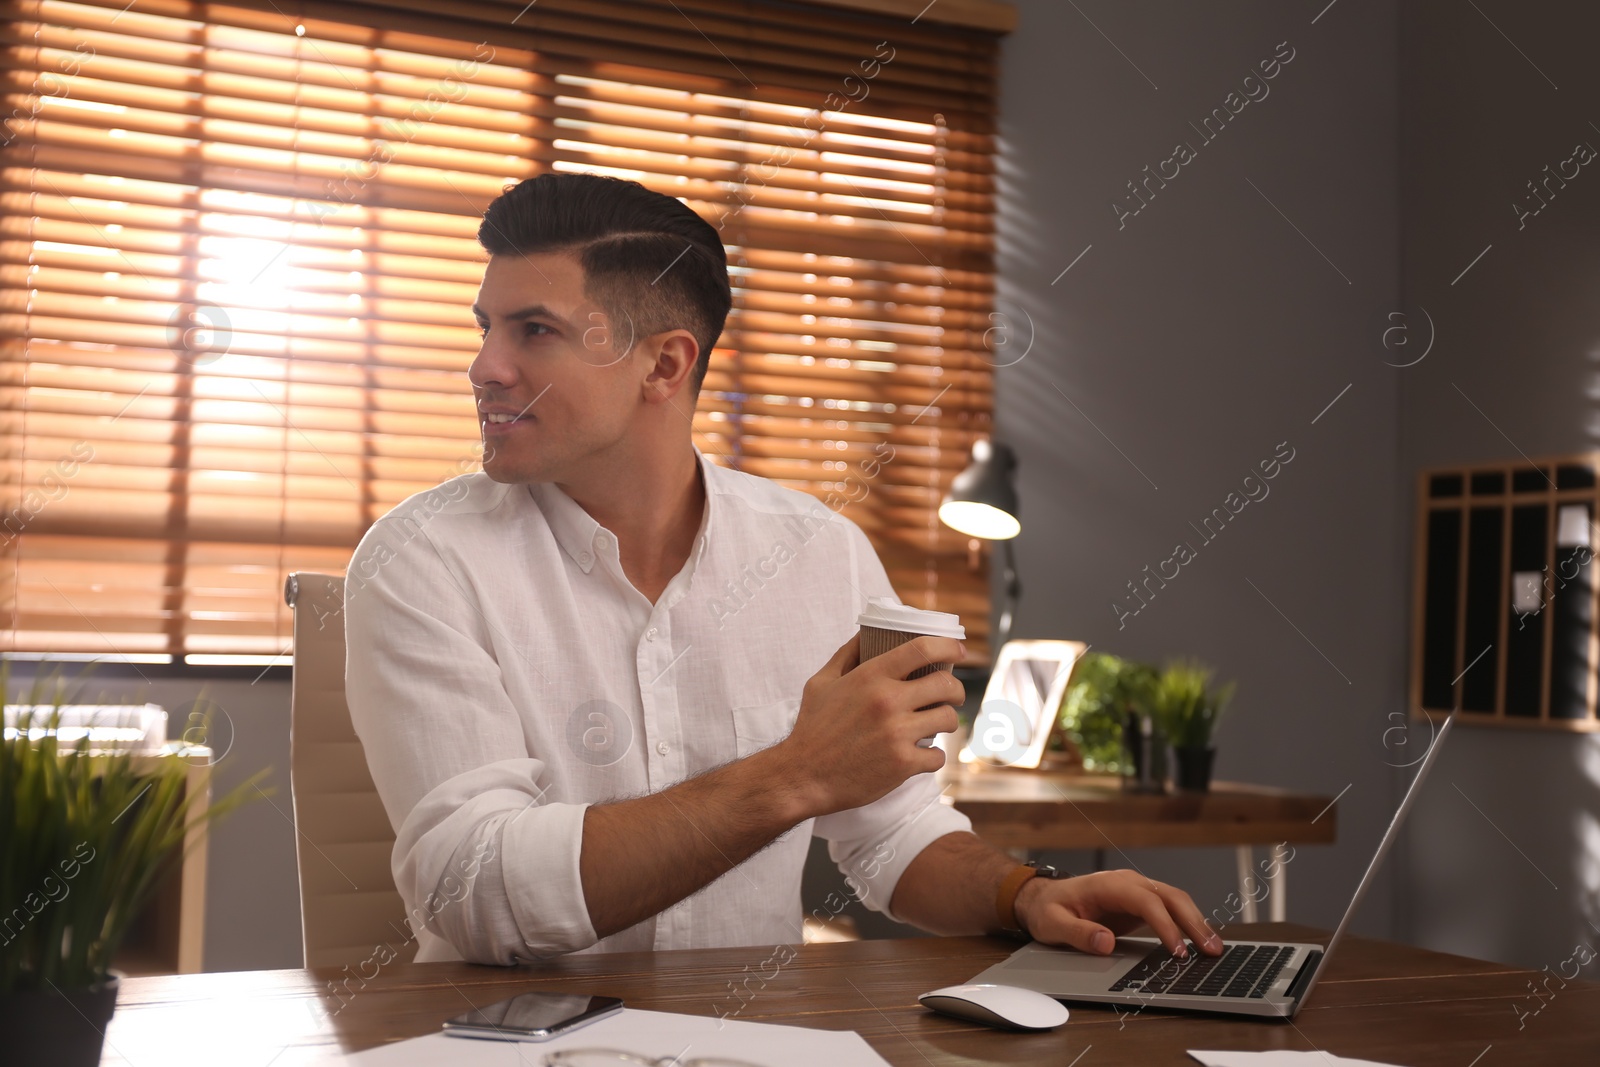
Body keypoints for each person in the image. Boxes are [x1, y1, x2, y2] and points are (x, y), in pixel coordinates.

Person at [344, 173, 1223, 966]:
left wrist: (1025, 894)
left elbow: (893, 833)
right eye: (487, 326)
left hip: (757, 1039)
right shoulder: (421, 560)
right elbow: (473, 893)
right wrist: (796, 773)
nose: (484, 368)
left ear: (665, 362)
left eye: (535, 331)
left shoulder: (818, 554)